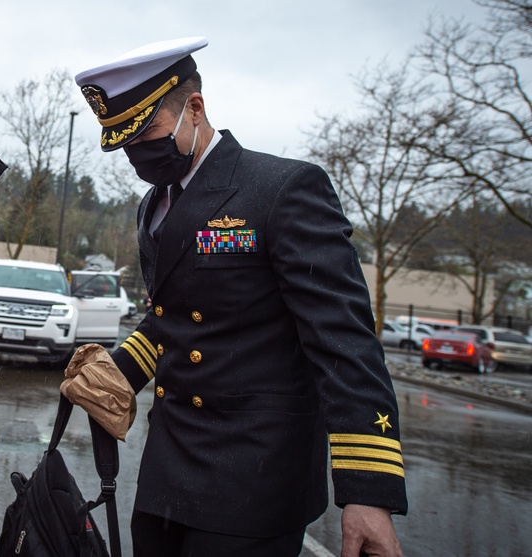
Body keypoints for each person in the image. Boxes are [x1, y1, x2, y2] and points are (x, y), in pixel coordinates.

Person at [66, 37, 408, 556]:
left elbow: (344, 341)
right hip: (168, 468)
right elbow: (174, 317)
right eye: (124, 144)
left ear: (194, 109)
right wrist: (118, 373)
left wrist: (368, 491)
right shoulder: (152, 206)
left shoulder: (283, 189)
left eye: (147, 133)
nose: (137, 154)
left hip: (255, 479)